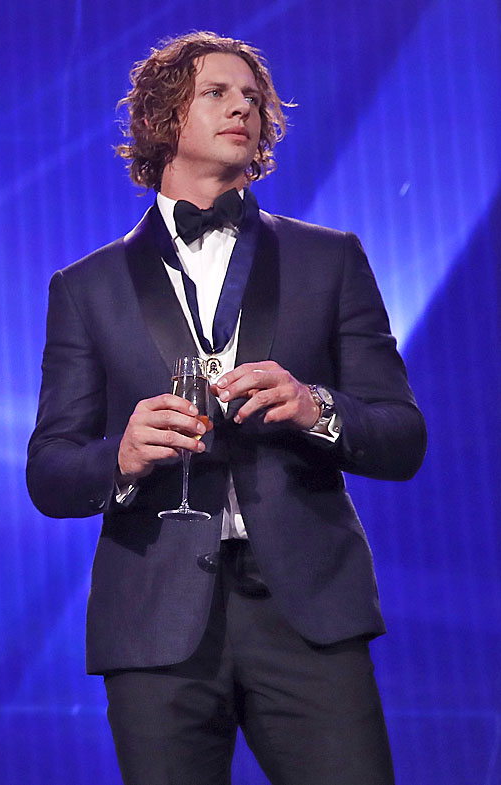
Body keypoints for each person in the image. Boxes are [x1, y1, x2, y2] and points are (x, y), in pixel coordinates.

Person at [25, 31, 426, 785]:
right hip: (155, 623)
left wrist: (316, 406)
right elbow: (49, 471)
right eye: (216, 92)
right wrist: (120, 454)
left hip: (307, 611)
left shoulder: (329, 257)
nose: (242, 104)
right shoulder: (86, 287)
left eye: (252, 96)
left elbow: (403, 437)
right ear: (161, 118)